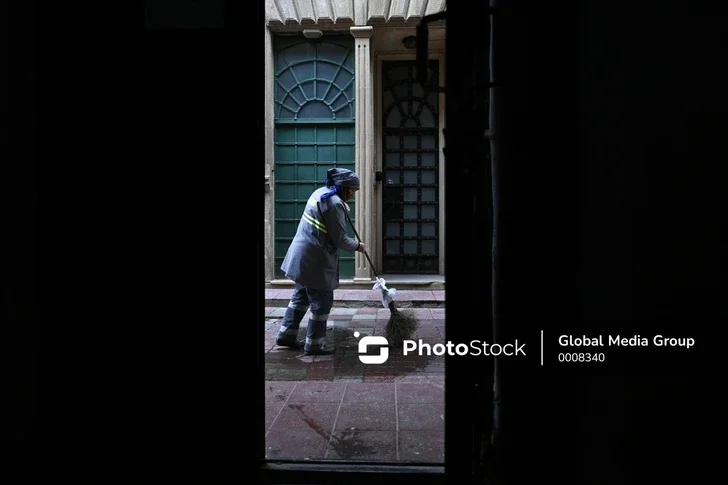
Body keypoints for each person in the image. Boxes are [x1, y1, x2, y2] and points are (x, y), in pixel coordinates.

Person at [276, 167, 367, 355]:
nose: (353, 193)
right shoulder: (334, 204)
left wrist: (342, 207)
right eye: (351, 190)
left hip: (301, 256)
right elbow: (340, 240)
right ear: (342, 186)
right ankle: (315, 345)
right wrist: (358, 246)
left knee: (300, 297)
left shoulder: (321, 193)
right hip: (315, 261)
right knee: (322, 302)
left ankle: (286, 335)